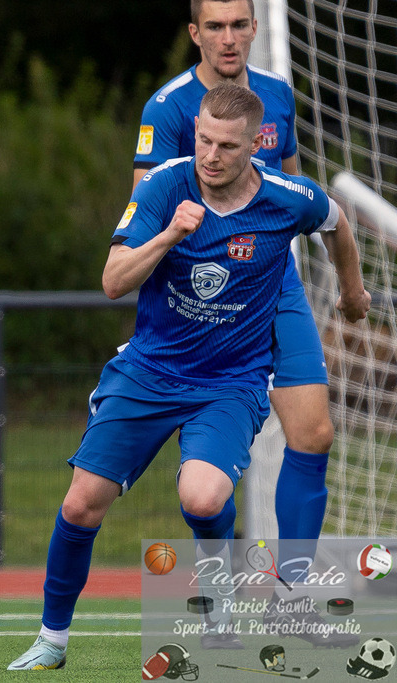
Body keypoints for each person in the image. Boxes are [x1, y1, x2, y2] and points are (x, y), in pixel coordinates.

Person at [7, 84, 370, 671]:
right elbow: (113, 280)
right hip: (147, 372)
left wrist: (351, 294)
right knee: (80, 506)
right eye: (204, 139)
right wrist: (173, 233)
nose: (211, 155)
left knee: (202, 499)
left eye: (227, 145)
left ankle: (219, 586)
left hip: (230, 384)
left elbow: (337, 224)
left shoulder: (287, 198)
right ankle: (52, 640)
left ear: (257, 144)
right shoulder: (164, 185)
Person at [132, 0, 356, 647]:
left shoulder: (277, 98)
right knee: (200, 483)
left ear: (255, 28)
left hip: (274, 284)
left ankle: (290, 598)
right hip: (199, 300)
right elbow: (145, 212)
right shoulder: (168, 108)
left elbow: (290, 193)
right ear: (195, 32)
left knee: (312, 432)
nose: (229, 38)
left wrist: (342, 283)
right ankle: (218, 577)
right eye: (217, 26)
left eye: (239, 24)